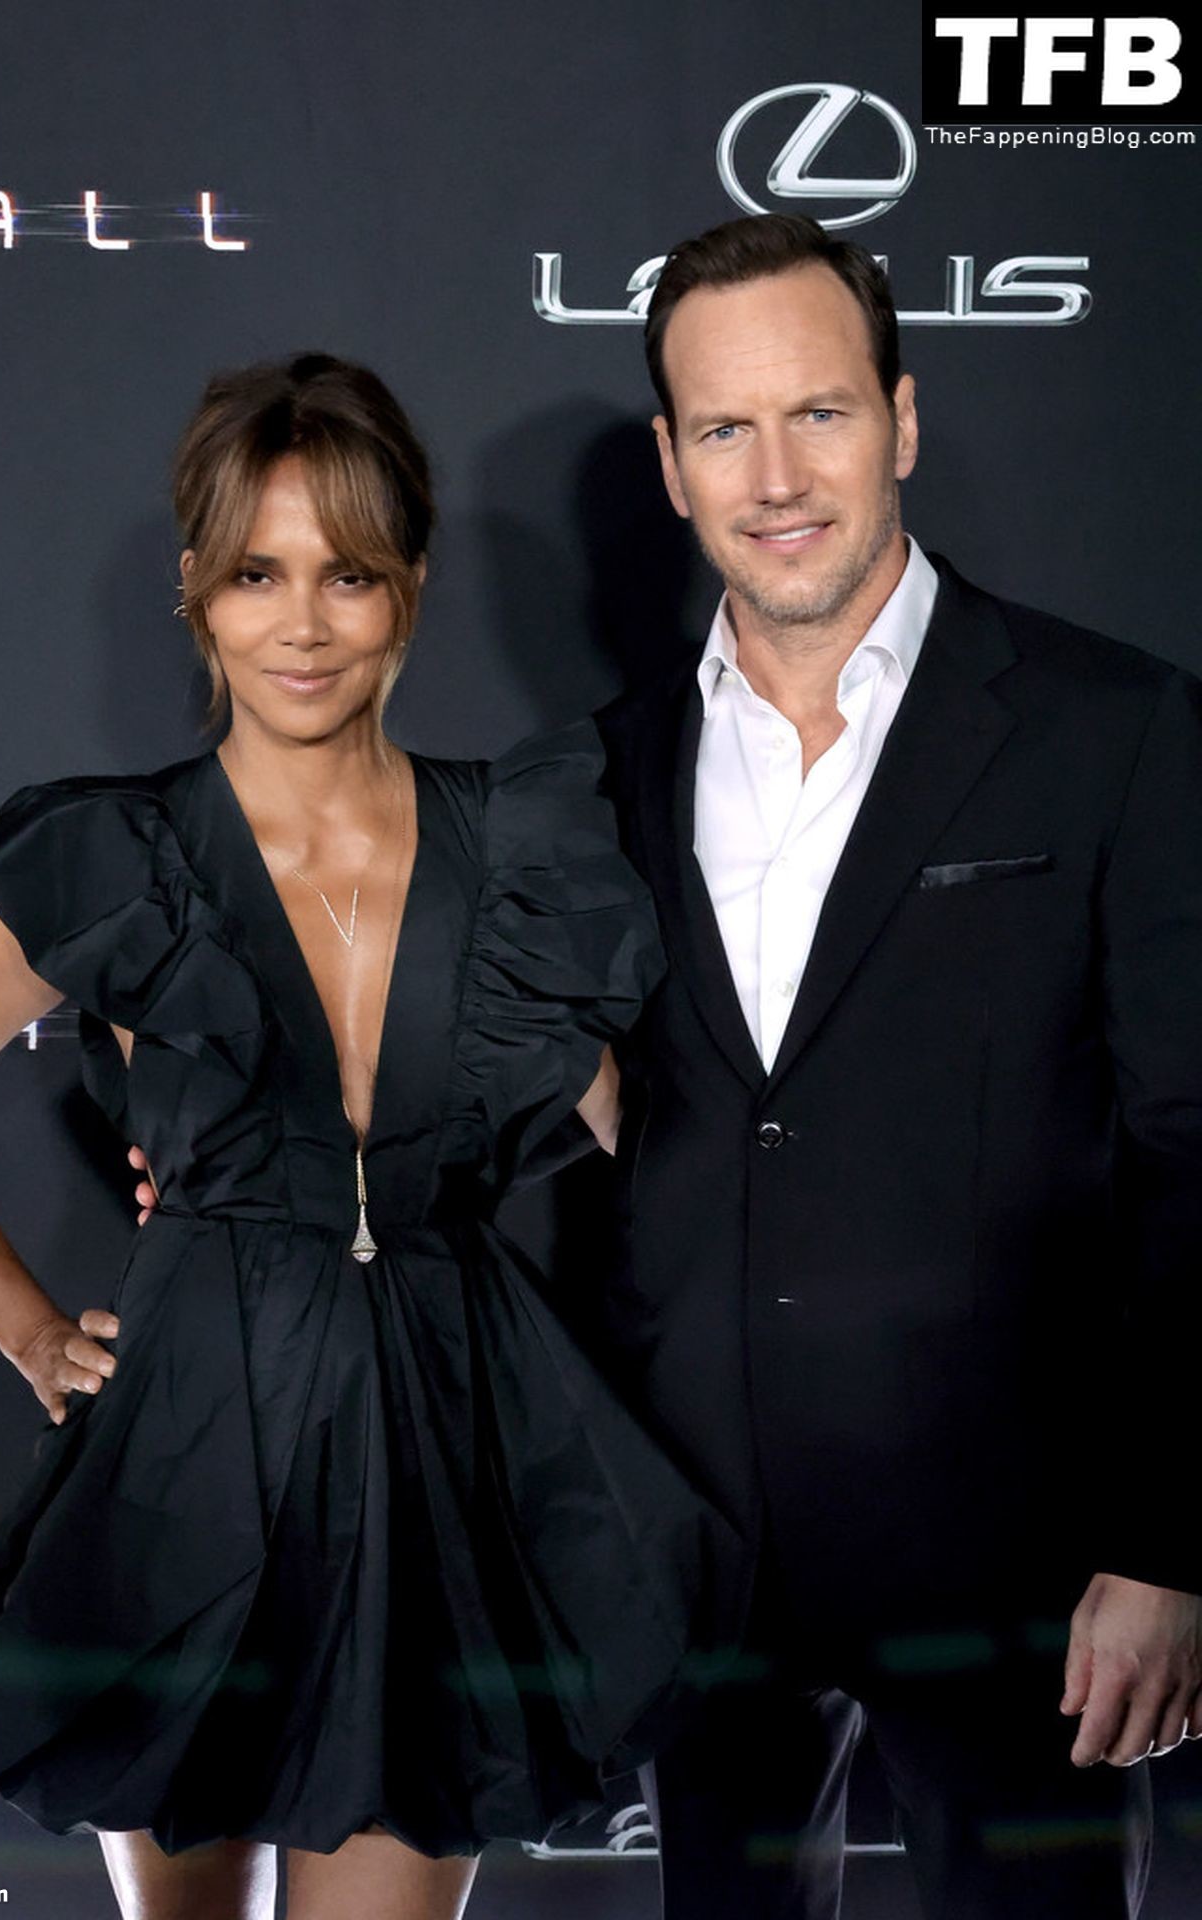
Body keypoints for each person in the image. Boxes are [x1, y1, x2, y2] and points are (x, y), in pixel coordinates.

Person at [0, 353, 743, 1920]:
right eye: (259, 573)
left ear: (411, 587)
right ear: (195, 586)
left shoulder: (528, 841)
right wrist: (28, 1328)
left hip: (448, 1454)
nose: (304, 624)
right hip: (188, 1452)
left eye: (350, 574)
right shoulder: (119, 852)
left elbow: (643, 1138)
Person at [584, 211, 1202, 1919]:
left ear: (903, 420)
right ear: (672, 464)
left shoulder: (1116, 730)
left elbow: (1193, 1155)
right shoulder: (595, 778)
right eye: (726, 428)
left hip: (1022, 1581)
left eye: (821, 413)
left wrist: (1170, 1544)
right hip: (700, 1570)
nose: (777, 476)